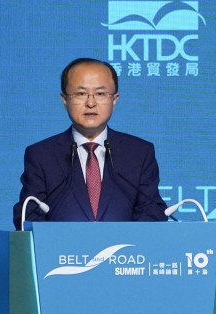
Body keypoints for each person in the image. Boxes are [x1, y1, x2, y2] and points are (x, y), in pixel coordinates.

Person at [12, 57, 168, 229]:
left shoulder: (139, 153)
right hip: (62, 253)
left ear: (114, 100)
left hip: (125, 254)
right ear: (65, 100)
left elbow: (152, 211)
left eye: (100, 94)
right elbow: (29, 214)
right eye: (81, 94)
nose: (91, 103)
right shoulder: (41, 155)